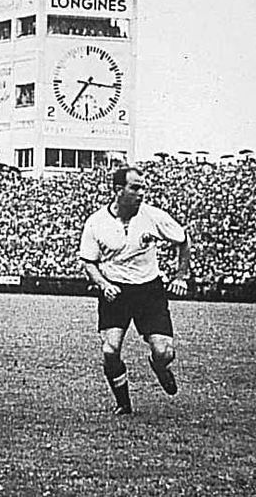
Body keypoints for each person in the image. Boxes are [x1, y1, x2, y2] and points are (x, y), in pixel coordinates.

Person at [79, 166, 192, 415]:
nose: (142, 193)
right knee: (110, 350)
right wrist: (104, 284)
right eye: (135, 187)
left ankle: (159, 366)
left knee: (164, 352)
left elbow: (183, 240)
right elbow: (88, 261)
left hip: (149, 291)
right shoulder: (96, 222)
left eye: (143, 187)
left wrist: (181, 277)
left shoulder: (153, 216)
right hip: (116, 291)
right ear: (119, 190)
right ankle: (123, 403)